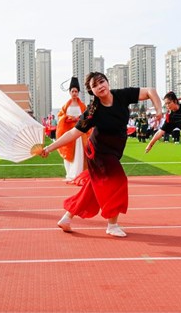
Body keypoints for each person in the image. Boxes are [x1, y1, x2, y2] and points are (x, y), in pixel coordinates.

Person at [40, 72, 163, 238]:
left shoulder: (122, 95)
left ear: (107, 82)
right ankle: (112, 225)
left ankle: (67, 218)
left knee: (92, 187)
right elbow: (74, 133)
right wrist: (49, 148)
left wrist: (158, 110)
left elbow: (150, 91)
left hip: (114, 150)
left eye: (102, 82)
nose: (100, 86)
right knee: (118, 181)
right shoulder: (93, 111)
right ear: (92, 91)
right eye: (95, 85)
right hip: (99, 151)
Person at [56, 77, 88, 183]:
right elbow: (60, 116)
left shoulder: (83, 106)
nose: (74, 93)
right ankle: (70, 174)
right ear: (69, 92)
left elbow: (87, 118)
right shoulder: (65, 106)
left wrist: (79, 118)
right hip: (68, 133)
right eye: (72, 91)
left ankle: (78, 174)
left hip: (79, 135)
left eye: (76, 91)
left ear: (78, 92)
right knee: (69, 154)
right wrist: (68, 118)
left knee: (79, 154)